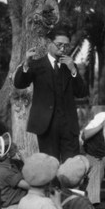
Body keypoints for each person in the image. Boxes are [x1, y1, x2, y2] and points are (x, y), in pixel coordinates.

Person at [13, 27, 89, 161]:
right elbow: (19, 83)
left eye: (66, 45)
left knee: (71, 164)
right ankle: (53, 183)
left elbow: (82, 92)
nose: (63, 48)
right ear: (49, 44)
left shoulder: (71, 65)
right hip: (46, 125)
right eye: (59, 45)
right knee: (49, 164)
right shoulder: (36, 64)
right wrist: (26, 63)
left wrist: (73, 70)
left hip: (68, 125)